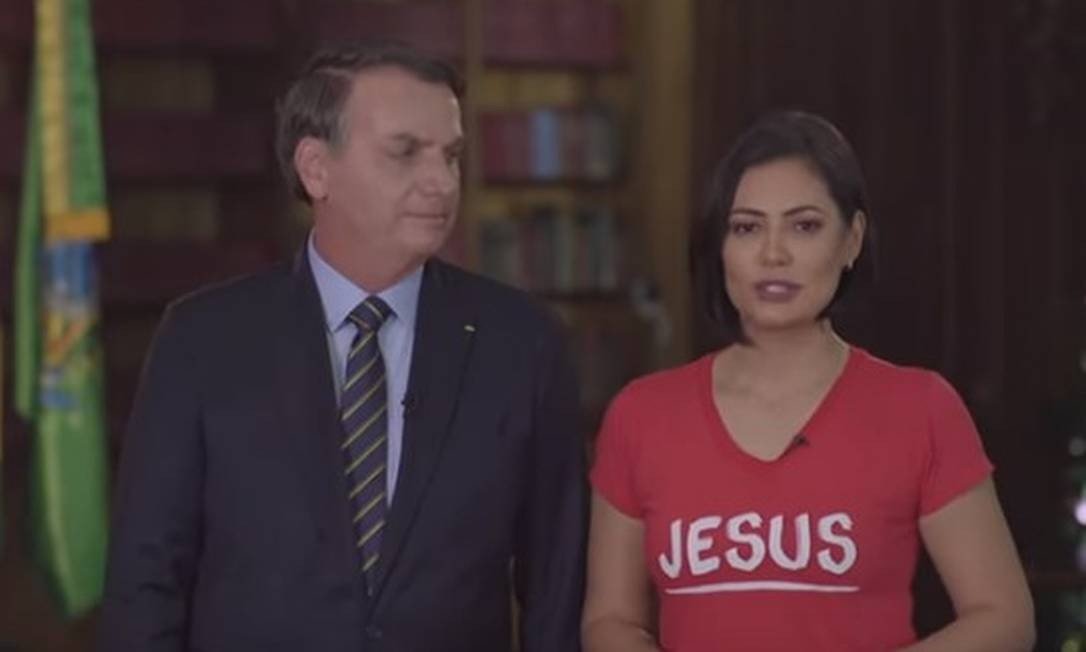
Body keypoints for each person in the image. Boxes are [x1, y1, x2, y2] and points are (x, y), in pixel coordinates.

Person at [99, 40, 586, 651]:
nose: (441, 182)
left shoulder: (522, 342)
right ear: (316, 168)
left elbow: (557, 586)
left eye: (452, 156)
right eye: (405, 153)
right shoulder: (202, 340)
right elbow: (145, 583)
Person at [581, 111, 1034, 651]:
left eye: (804, 226)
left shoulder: (920, 408)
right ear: (719, 247)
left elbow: (1003, 619)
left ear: (852, 240)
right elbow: (609, 620)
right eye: (747, 227)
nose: (773, 254)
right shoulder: (642, 415)